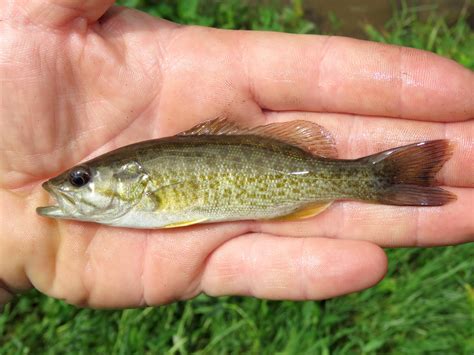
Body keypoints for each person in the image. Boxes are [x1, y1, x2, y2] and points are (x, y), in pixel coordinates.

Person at [0, 0, 472, 308]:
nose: (68, 186)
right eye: (80, 180)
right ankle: (381, 180)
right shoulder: (128, 193)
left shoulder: (143, 188)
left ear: (132, 179)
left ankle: (377, 178)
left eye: (81, 179)